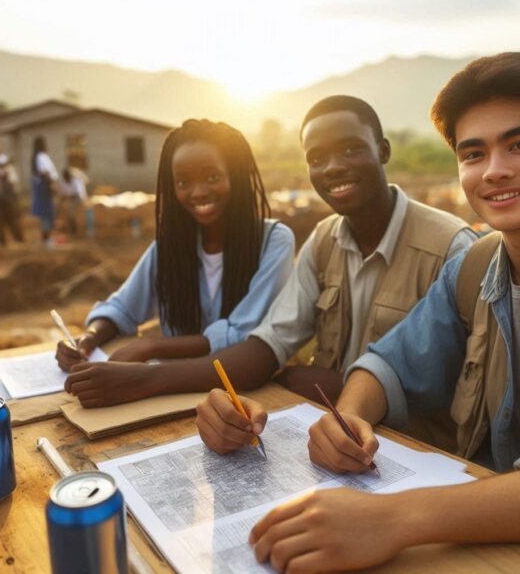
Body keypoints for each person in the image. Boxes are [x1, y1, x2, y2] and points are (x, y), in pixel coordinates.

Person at [233, 53, 520, 574]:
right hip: (490, 551)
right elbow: (390, 362)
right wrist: (350, 416)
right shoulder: (472, 267)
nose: (496, 170)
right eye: (473, 153)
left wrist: (397, 519)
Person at [66, 97, 474, 410]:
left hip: (416, 445)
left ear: (383, 150)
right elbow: (269, 344)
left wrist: (351, 385)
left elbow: (461, 384)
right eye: (317, 158)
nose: (332, 167)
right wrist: (125, 365)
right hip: (330, 425)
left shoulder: (450, 248)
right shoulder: (323, 241)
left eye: (350, 149)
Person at [55, 119, 296, 406]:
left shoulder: (273, 241)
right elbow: (121, 308)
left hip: (248, 399)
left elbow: (244, 336)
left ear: (236, 175)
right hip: (172, 400)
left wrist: (151, 346)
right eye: (183, 182)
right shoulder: (169, 250)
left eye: (211, 177)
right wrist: (89, 339)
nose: (198, 192)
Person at [30, 137, 60, 248]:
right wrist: (51, 186)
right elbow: (44, 173)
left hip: (43, 187)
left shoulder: (38, 157)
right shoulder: (41, 157)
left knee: (46, 214)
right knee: (46, 214)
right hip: (44, 188)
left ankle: (47, 239)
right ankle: (46, 240)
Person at [0, 153, 25, 247]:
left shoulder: (10, 169)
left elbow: (14, 184)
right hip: (1, 197)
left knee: (14, 218)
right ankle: (2, 240)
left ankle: (18, 238)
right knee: (0, 220)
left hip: (10, 196)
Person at [57, 167, 88, 237]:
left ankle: (74, 229)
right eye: (65, 176)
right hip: (69, 201)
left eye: (67, 175)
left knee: (71, 212)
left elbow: (77, 195)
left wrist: (67, 198)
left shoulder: (76, 182)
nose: (66, 177)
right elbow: (61, 196)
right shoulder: (62, 183)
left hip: (78, 200)